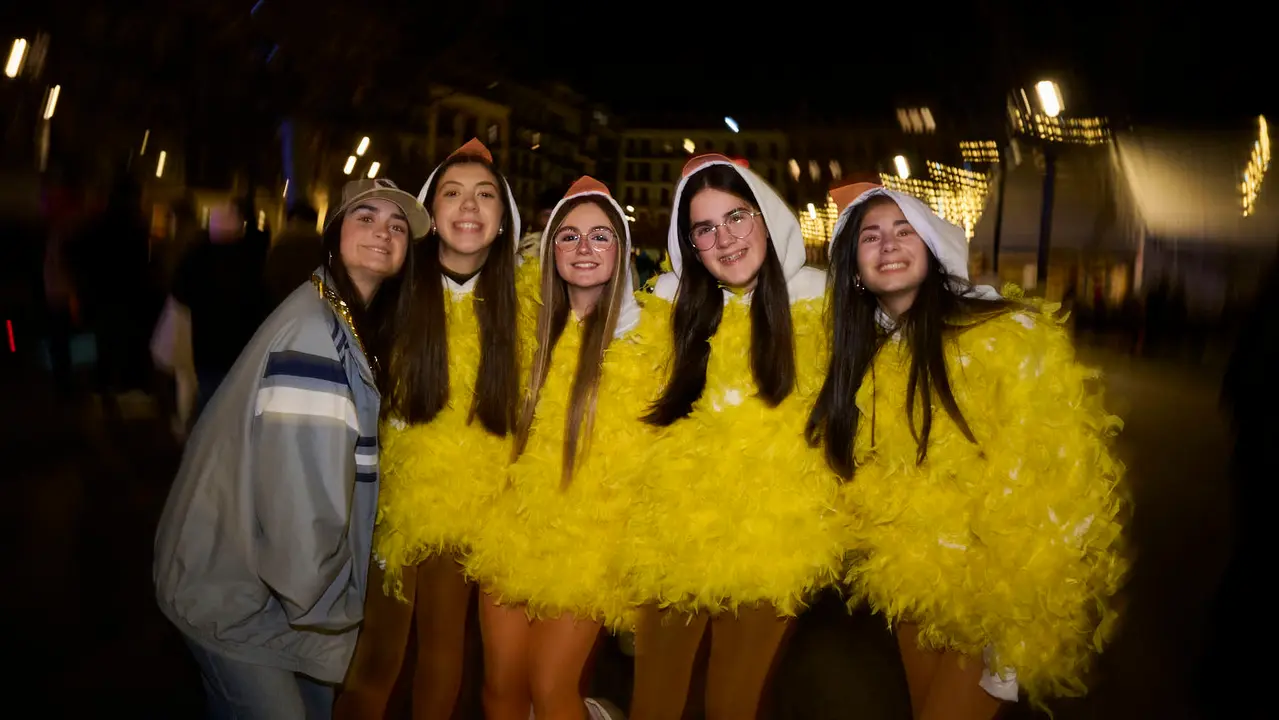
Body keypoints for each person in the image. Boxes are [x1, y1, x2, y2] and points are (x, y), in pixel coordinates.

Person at [806, 184, 1128, 718]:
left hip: (988, 599)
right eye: (870, 237)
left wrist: (1015, 626)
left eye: (904, 230)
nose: (888, 245)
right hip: (912, 589)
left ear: (933, 247)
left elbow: (1057, 480)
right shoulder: (866, 358)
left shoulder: (1006, 333)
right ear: (855, 271)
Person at [153, 178, 427, 719]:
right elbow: (299, 509)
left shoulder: (336, 313)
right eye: (366, 218)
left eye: (397, 226)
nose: (384, 232)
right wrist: (342, 605)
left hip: (259, 584)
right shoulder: (315, 340)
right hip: (235, 593)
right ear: (334, 234)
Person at [626, 154, 841, 720]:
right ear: (691, 244)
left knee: (733, 705)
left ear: (765, 217)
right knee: (653, 701)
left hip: (768, 542)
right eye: (704, 228)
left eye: (736, 217)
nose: (724, 239)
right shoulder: (668, 304)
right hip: (673, 537)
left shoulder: (820, 301)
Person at [335, 139, 531, 720]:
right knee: (374, 657)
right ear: (430, 212)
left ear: (503, 220)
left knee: (444, 653)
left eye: (485, 195)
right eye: (452, 193)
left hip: (469, 512)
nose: (468, 206)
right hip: (386, 507)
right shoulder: (390, 289)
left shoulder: (526, 306)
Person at [464, 177, 660, 720]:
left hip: (588, 542)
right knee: (499, 688)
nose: (584, 248)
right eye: (569, 236)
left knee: (551, 687)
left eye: (601, 236)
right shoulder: (523, 328)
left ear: (622, 249)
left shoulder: (648, 339)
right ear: (551, 249)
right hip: (512, 528)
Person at [266, 204, 326, 309]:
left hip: (282, 303)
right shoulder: (320, 243)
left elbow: (270, 275)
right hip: (312, 304)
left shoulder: (281, 241)